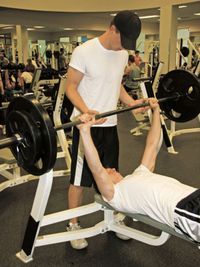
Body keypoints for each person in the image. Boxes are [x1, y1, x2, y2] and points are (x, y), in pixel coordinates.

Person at [65, 10, 149, 250]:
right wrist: (86, 109)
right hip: (86, 127)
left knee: (112, 175)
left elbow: (116, 84)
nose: (125, 46)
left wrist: (131, 103)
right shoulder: (85, 51)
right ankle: (73, 224)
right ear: (113, 29)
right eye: (123, 39)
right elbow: (70, 87)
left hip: (110, 125)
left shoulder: (122, 54)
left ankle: (114, 219)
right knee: (79, 180)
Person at [77, 99, 200, 245]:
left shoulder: (140, 172)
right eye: (107, 171)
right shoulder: (115, 195)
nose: (112, 168)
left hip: (193, 193)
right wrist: (85, 132)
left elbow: (152, 145)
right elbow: (96, 168)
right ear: (103, 184)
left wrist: (155, 111)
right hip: (182, 209)